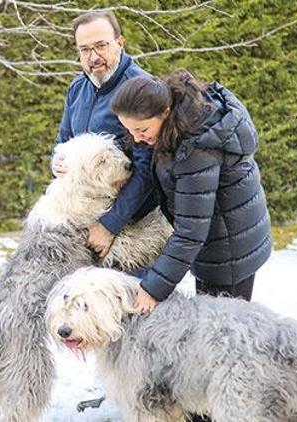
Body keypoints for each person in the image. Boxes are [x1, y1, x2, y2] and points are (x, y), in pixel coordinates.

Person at [111, 70, 272, 422]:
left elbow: (190, 231)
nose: (137, 139)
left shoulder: (196, 147)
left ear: (164, 113)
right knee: (208, 338)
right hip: (217, 236)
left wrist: (153, 288)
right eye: (130, 131)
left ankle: (223, 408)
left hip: (229, 248)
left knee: (223, 344)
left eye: (142, 130)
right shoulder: (173, 124)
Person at [53, 10, 156, 257]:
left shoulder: (140, 89)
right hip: (86, 221)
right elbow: (63, 142)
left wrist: (109, 226)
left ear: (119, 44)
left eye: (101, 46)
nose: (94, 57)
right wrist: (56, 164)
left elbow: (148, 171)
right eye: (85, 49)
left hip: (132, 228)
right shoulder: (77, 88)